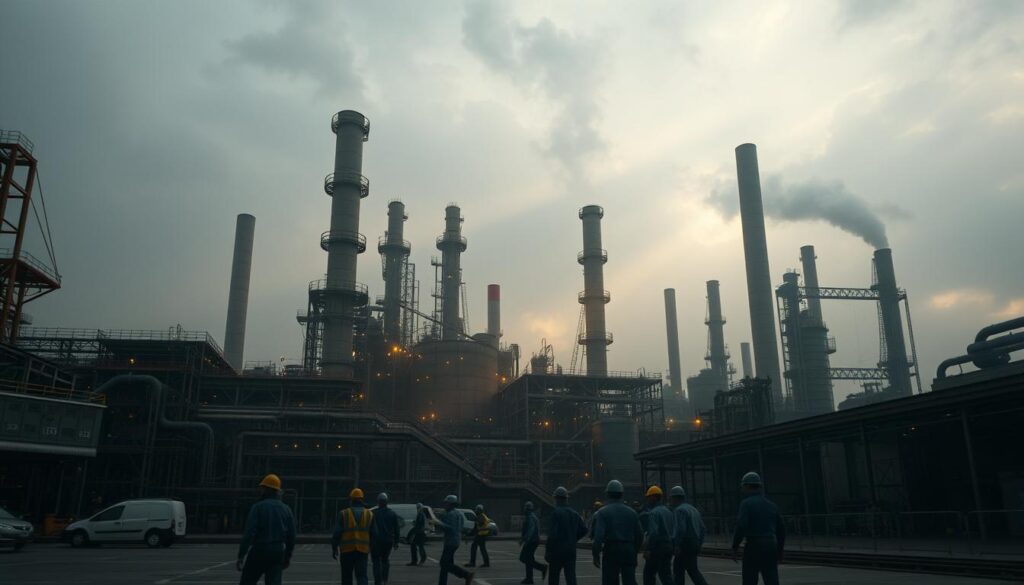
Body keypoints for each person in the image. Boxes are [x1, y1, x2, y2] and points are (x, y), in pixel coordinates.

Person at [237, 474, 296, 585]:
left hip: (259, 550)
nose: (261, 491)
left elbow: (249, 533)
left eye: (263, 488)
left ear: (267, 490)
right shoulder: (286, 509)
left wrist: (241, 555)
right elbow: (292, 536)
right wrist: (287, 556)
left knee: (247, 582)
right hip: (277, 552)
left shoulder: (258, 507)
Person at [730, 472, 785, 585]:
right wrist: (779, 551)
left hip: (754, 546)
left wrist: (735, 547)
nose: (742, 490)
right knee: (771, 578)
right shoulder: (772, 505)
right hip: (770, 545)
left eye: (743, 487)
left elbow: (741, 526)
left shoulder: (746, 504)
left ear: (747, 486)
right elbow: (781, 530)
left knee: (750, 578)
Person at [591, 480, 643, 585]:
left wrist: (596, 555)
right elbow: (640, 535)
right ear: (622, 494)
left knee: (610, 581)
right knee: (630, 581)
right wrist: (634, 550)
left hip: (611, 550)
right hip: (629, 550)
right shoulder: (632, 513)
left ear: (607, 494)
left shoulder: (602, 512)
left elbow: (598, 537)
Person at [545, 486, 588, 585]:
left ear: (557, 498)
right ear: (566, 498)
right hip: (571, 550)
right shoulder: (574, 513)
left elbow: (552, 535)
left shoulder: (556, 513)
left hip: (557, 551)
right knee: (571, 577)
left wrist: (548, 551)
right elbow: (584, 530)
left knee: (554, 577)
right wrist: (573, 538)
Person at [332, 488, 374, 585]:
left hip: (347, 551)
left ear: (351, 500)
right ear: (362, 499)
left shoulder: (343, 513)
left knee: (346, 577)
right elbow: (374, 534)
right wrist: (371, 548)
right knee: (362, 576)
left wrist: (334, 548)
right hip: (362, 551)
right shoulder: (369, 514)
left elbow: (337, 533)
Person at [669, 486, 707, 585]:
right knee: (693, 569)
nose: (671, 501)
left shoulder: (679, 510)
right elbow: (703, 528)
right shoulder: (693, 509)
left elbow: (681, 529)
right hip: (694, 542)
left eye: (671, 498)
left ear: (675, 498)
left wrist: (677, 544)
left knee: (678, 570)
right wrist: (699, 544)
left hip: (684, 543)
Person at [435, 494, 474, 585]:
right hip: (456, 541)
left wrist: (438, 523)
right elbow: (460, 527)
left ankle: (466, 574)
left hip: (450, 541)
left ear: (451, 504)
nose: (445, 505)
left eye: (446, 504)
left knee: (444, 564)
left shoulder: (450, 514)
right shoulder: (459, 514)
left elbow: (449, 528)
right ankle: (442, 583)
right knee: (446, 564)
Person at [641, 486, 674, 585]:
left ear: (654, 497)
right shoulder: (668, 512)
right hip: (668, 546)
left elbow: (654, 533)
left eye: (649, 497)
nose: (648, 499)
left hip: (657, 547)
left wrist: (648, 549)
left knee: (649, 574)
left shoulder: (654, 513)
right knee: (666, 575)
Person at [370, 492, 400, 585]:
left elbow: (369, 529)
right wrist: (396, 542)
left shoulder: (373, 514)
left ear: (378, 502)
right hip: (388, 541)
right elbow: (397, 529)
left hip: (376, 541)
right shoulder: (392, 514)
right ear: (387, 502)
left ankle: (377, 581)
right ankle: (385, 580)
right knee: (385, 560)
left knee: (376, 561)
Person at [520, 501, 548, 584]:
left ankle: (542, 568)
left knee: (524, 558)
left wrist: (524, 539)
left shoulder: (530, 517)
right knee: (528, 559)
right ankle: (529, 578)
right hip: (533, 541)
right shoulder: (532, 516)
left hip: (531, 541)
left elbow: (531, 530)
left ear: (527, 509)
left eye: (526, 508)